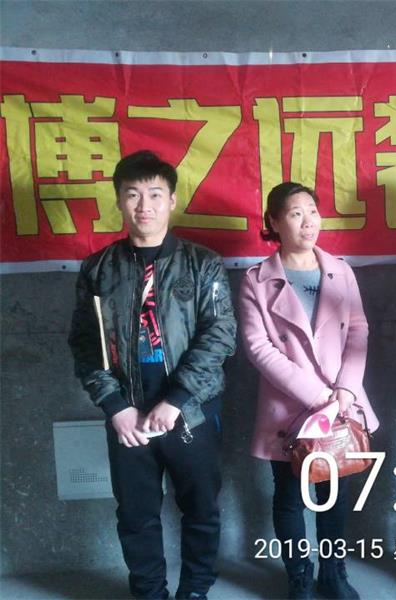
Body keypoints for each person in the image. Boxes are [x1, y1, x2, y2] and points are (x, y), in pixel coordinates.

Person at [68, 150, 237, 599]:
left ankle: (195, 589)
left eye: (155, 194)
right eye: (133, 195)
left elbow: (220, 335)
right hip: (128, 412)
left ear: (172, 200)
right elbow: (85, 343)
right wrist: (114, 406)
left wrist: (177, 399)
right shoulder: (98, 268)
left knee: (201, 509)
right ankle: (148, 592)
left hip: (191, 411)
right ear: (119, 201)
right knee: (136, 514)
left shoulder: (202, 264)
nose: (144, 205)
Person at [238, 182, 379, 599]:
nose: (308, 221)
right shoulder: (256, 280)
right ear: (274, 222)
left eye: (313, 211)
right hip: (291, 409)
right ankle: (299, 576)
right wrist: (318, 396)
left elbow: (358, 330)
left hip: (342, 403)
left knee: (333, 495)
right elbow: (258, 347)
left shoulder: (340, 270)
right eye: (296, 213)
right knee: (289, 497)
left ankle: (334, 574)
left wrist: (346, 391)